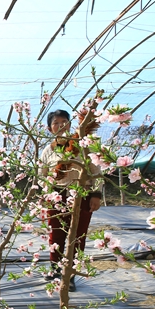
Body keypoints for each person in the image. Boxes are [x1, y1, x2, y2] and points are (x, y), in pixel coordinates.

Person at [39, 109, 102, 292]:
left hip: (81, 195)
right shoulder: (48, 151)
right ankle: (55, 269)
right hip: (56, 196)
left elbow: (96, 170)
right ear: (50, 128)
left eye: (64, 122)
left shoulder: (83, 145)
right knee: (56, 233)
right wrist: (45, 194)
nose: (60, 126)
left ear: (70, 124)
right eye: (56, 123)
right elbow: (41, 175)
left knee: (77, 235)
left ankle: (70, 274)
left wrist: (96, 195)